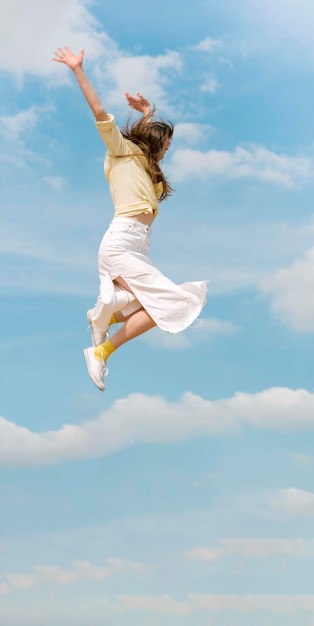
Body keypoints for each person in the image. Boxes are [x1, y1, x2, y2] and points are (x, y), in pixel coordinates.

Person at [53, 46, 207, 391]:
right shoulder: (122, 151)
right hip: (122, 240)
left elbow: (151, 143)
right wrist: (77, 69)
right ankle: (102, 343)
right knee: (176, 303)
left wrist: (148, 111)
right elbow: (98, 111)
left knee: (158, 307)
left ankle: (106, 313)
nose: (166, 152)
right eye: (165, 147)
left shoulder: (148, 169)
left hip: (137, 248)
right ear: (153, 143)